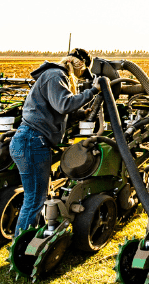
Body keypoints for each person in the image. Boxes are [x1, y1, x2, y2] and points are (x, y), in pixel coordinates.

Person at [9, 48, 101, 237]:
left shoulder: (52, 75)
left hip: (29, 140)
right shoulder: (55, 75)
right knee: (34, 199)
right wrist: (94, 91)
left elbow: (55, 110)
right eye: (83, 73)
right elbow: (64, 104)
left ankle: (29, 238)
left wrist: (80, 114)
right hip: (32, 141)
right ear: (79, 66)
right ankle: (21, 245)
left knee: (35, 196)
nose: (81, 77)